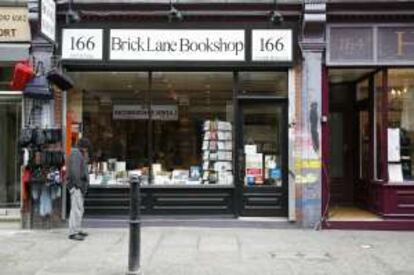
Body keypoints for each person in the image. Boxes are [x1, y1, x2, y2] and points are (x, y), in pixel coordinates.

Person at [67, 138, 90, 241]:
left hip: (78, 186)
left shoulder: (78, 154)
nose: (87, 151)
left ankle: (77, 229)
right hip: (76, 186)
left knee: (79, 209)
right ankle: (73, 232)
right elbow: (75, 172)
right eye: (87, 149)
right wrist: (79, 185)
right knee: (76, 209)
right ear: (83, 147)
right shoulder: (76, 154)